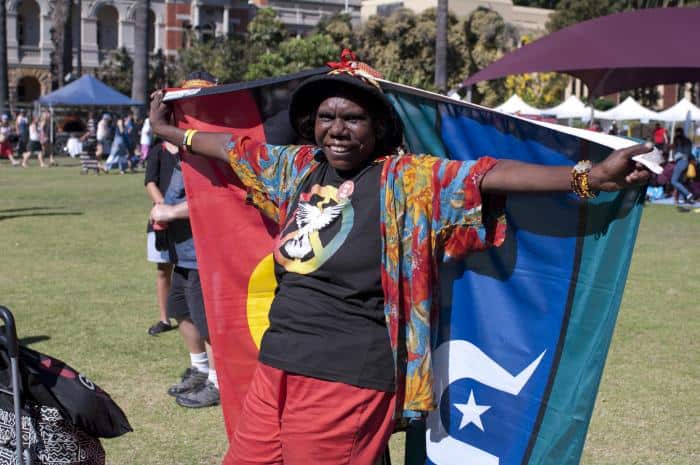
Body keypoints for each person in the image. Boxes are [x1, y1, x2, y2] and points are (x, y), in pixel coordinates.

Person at [149, 51, 651, 464]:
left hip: (347, 375)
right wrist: (171, 133)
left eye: (353, 118)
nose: (338, 130)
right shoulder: (298, 169)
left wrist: (590, 178)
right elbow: (235, 149)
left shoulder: (406, 182)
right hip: (277, 365)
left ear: (379, 125)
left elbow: (485, 176)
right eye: (327, 118)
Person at [149, 158, 221, 408]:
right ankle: (200, 368)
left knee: (205, 322)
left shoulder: (204, 155)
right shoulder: (183, 155)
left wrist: (170, 211)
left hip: (202, 252)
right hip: (181, 253)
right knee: (179, 308)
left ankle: (217, 382)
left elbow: (216, 198)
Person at [144, 139, 178, 336]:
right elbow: (150, 182)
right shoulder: (158, 150)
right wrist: (164, 206)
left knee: (191, 272)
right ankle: (165, 319)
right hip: (162, 219)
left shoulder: (189, 148)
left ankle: (193, 315)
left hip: (187, 217)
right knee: (163, 270)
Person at [669, 127, 695, 204]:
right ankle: (681, 198)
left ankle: (688, 194)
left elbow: (681, 153)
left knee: (673, 181)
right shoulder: (688, 141)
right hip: (685, 162)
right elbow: (689, 153)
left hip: (681, 162)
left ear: (678, 133)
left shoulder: (679, 140)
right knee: (680, 181)